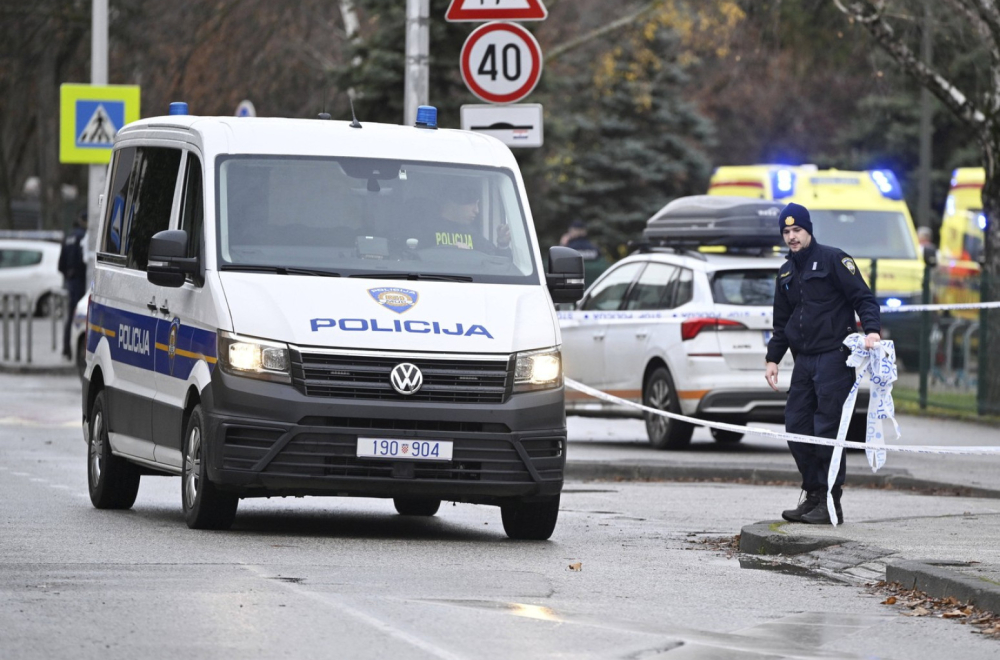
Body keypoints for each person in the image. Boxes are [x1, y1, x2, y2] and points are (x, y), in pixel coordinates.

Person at [764, 202, 881, 525]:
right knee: (796, 428)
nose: (792, 236)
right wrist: (773, 358)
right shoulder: (786, 272)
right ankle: (814, 494)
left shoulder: (833, 259)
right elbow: (782, 321)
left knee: (826, 430)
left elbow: (864, 298)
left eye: (797, 230)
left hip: (833, 357)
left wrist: (871, 330)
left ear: (808, 230)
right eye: (786, 232)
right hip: (804, 361)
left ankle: (830, 502)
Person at [411, 183, 510, 255]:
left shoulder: (473, 235)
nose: (477, 210)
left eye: (477, 204)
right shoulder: (425, 231)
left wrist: (503, 244)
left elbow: (496, 263)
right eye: (472, 203)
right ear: (453, 203)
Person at [58, 211, 88, 360]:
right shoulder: (83, 237)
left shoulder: (68, 237)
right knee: (81, 316)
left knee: (70, 315)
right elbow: (84, 262)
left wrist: (68, 275)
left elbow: (60, 265)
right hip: (81, 281)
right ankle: (79, 349)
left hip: (71, 280)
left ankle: (66, 348)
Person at [560, 220, 608, 286]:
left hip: (574, 287)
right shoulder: (594, 248)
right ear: (584, 232)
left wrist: (562, 244)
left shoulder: (568, 249)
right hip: (594, 287)